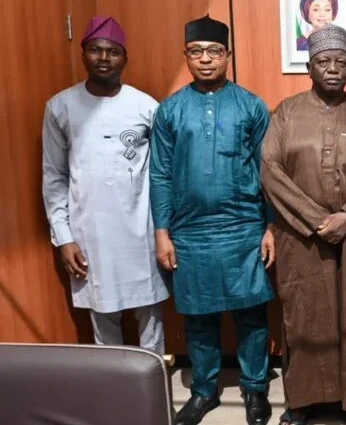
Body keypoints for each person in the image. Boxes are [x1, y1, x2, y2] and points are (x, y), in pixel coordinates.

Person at [149, 15, 276, 425]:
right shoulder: (170, 111)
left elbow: (267, 171)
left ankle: (255, 390)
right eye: (196, 52)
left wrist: (270, 226)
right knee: (199, 317)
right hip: (190, 232)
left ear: (228, 56)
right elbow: (160, 174)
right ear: (186, 56)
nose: (205, 60)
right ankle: (204, 392)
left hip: (244, 227)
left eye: (214, 52)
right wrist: (162, 233)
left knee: (252, 316)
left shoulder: (251, 105)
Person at [262, 24, 346, 425]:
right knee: (304, 316)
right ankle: (302, 403)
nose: (333, 68)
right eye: (323, 62)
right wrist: (318, 220)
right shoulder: (286, 112)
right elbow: (270, 170)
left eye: (340, 62)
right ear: (309, 68)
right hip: (301, 237)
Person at [42, 16, 169, 355]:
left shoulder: (146, 106)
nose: (103, 58)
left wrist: (165, 232)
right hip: (90, 233)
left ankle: (152, 384)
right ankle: (114, 390)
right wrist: (64, 237)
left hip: (141, 230)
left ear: (124, 58)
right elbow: (53, 176)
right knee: (102, 314)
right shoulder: (60, 107)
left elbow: (162, 175)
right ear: (83, 54)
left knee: (150, 314)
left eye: (112, 52)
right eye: (95, 50)